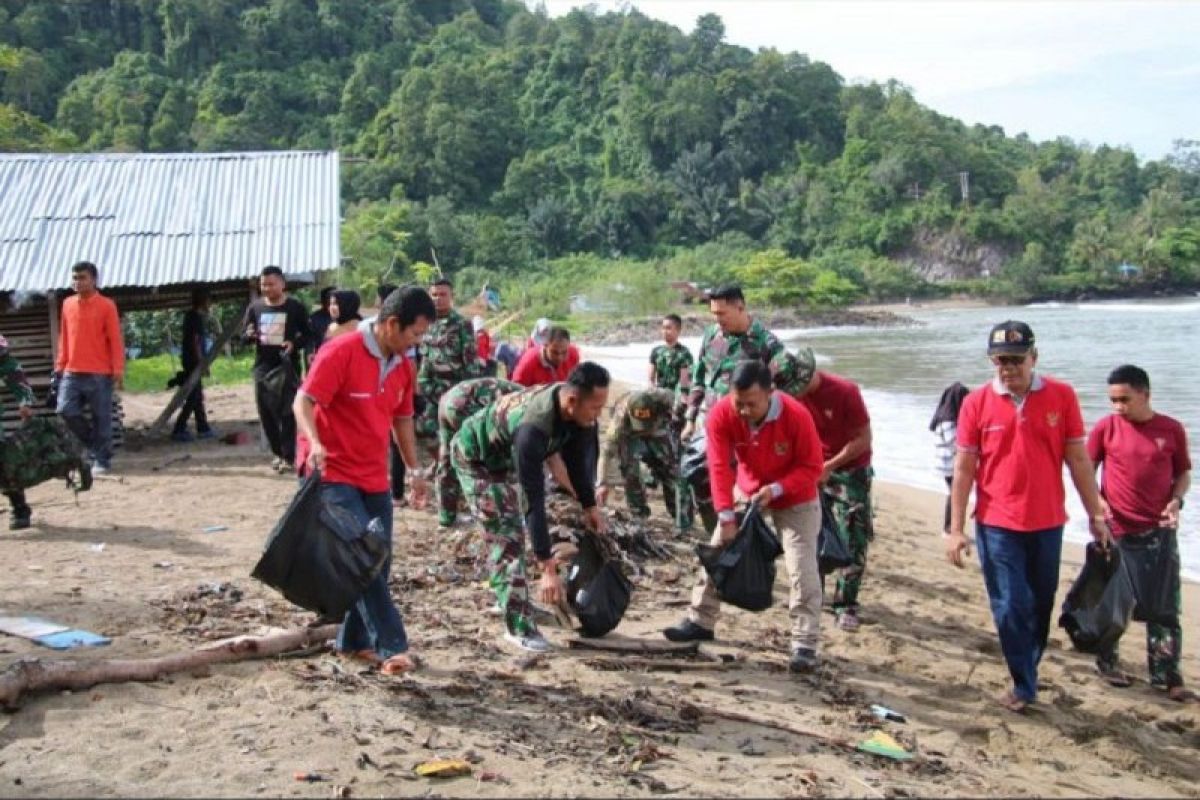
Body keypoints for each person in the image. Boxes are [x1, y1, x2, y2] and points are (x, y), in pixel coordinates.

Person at [947, 320, 1111, 714]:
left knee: (1040, 604)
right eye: (1001, 360)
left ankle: (1026, 670)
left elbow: (1078, 460)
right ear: (992, 362)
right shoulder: (976, 403)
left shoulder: (1062, 396)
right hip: (997, 522)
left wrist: (1096, 514)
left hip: (1049, 520)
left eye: (1017, 360)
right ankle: (1023, 683)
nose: (1009, 368)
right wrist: (954, 529)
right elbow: (965, 468)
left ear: (1034, 358)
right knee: (1010, 603)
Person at [292, 285, 435, 676]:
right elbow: (302, 401)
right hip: (333, 472)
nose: (416, 343)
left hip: (374, 475)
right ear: (391, 324)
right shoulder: (341, 351)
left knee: (378, 562)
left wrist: (414, 470)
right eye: (415, 334)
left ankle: (353, 642)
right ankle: (394, 646)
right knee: (363, 555)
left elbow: (401, 418)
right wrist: (315, 443)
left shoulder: (404, 365)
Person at [663, 360, 825, 673]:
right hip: (747, 490)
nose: (744, 411)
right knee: (718, 550)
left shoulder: (796, 415)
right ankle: (700, 619)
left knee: (801, 568)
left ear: (771, 393)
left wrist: (777, 489)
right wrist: (725, 517)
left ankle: (804, 643)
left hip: (796, 496)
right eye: (739, 403)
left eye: (752, 404)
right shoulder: (723, 413)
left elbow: (812, 468)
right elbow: (719, 467)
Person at [450, 363, 610, 652]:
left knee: (516, 530)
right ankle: (517, 626)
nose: (598, 415)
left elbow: (576, 464)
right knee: (506, 534)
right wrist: (547, 567)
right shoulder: (533, 427)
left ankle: (512, 601)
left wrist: (590, 506)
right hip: (476, 459)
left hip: (504, 459)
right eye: (595, 408)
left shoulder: (579, 417)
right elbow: (532, 498)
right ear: (573, 400)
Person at [1087, 364, 1192, 702]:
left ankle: (1168, 676)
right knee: (1114, 603)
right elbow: (1085, 471)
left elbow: (1184, 474)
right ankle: (1108, 663)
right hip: (1116, 529)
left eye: (1124, 399)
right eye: (1113, 400)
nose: (1118, 406)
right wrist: (1098, 505)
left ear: (1145, 393)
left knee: (1164, 607)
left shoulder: (1171, 429)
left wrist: (1176, 500)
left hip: (1159, 532)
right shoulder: (1106, 428)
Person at [774, 347, 874, 632]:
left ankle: (846, 604)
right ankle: (813, 597)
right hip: (810, 468)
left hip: (849, 471)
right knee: (810, 535)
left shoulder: (845, 392)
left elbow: (864, 439)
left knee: (851, 536)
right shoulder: (792, 399)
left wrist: (830, 466)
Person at [682, 285, 786, 532]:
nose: (718, 320)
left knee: (745, 491)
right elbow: (699, 377)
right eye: (714, 314)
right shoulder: (711, 335)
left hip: (747, 430)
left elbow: (779, 395)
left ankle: (749, 542)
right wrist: (690, 418)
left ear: (740, 307)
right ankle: (718, 531)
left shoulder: (767, 344)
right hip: (712, 424)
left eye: (722, 314)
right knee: (696, 474)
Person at [54, 261, 125, 476]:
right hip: (72, 371)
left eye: (82, 277)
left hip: (99, 372)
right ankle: (95, 447)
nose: (77, 282)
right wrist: (60, 364)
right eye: (74, 278)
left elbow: (115, 338)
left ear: (94, 280)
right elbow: (64, 337)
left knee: (100, 417)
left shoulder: (106, 305)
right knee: (65, 410)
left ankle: (101, 460)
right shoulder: (67, 304)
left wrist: (118, 368)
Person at [242, 266, 309, 474]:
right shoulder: (255, 308)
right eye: (263, 285)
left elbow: (308, 335)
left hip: (287, 366)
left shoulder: (295, 307)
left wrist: (293, 344)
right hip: (263, 367)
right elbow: (244, 337)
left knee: (288, 413)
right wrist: (249, 335)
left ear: (282, 283)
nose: (267, 288)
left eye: (271, 284)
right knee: (267, 413)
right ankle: (278, 453)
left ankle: (289, 456)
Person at [416, 277, 480, 492]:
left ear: (451, 297)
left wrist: (469, 392)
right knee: (424, 429)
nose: (438, 299)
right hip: (433, 388)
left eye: (443, 295)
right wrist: (422, 384)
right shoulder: (426, 323)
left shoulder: (462, 324)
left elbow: (470, 360)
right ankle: (442, 461)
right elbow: (424, 358)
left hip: (455, 389)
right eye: (434, 295)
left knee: (456, 435)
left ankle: (456, 474)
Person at [435, 376, 522, 528]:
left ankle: (446, 517)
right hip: (465, 404)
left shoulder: (525, 393)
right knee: (483, 460)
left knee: (448, 458)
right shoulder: (532, 404)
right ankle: (492, 517)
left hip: (448, 400)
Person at [595, 388, 687, 524]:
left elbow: (679, 417)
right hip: (630, 434)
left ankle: (680, 513)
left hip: (658, 429)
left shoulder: (665, 398)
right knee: (629, 468)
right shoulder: (620, 419)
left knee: (671, 468)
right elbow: (607, 451)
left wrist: (675, 434)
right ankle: (639, 513)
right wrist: (602, 483)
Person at [171, 287, 217, 443]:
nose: (210, 304)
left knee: (196, 395)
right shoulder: (195, 317)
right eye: (209, 301)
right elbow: (196, 341)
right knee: (194, 396)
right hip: (193, 361)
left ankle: (203, 427)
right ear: (204, 301)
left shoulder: (191, 316)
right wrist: (202, 362)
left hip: (190, 360)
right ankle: (179, 428)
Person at [0, 334, 36, 529]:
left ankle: (20, 509)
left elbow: (16, 376)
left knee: (4, 466)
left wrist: (25, 403)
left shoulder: (4, 357)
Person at [930, 382, 970, 535]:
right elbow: (955, 443)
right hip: (950, 465)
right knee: (955, 494)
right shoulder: (948, 420)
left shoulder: (943, 417)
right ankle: (948, 529)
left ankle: (949, 528)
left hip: (947, 464)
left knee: (953, 493)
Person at [648, 313, 693, 398]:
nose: (665, 331)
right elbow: (651, 379)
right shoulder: (656, 351)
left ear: (678, 330)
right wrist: (653, 392)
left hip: (676, 397)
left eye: (668, 328)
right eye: (663, 328)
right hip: (658, 394)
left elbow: (684, 384)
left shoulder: (684, 354)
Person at [308, 286, 336, 355]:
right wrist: (309, 351)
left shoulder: (344, 317)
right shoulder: (314, 318)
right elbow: (309, 339)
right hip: (321, 355)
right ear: (323, 302)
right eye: (328, 301)